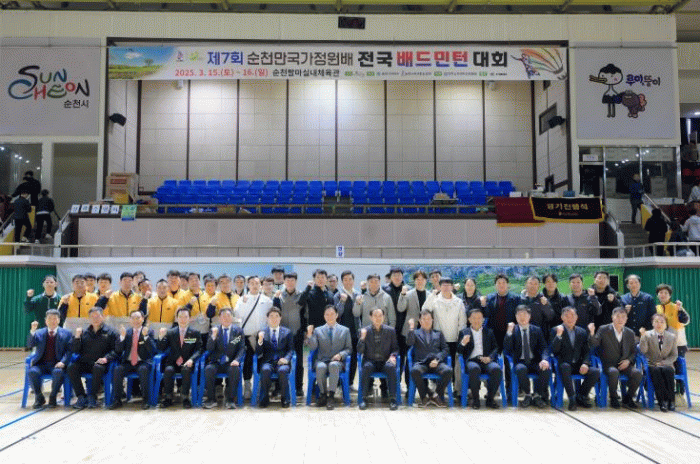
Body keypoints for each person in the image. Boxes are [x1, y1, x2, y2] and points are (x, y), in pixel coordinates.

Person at [589, 306, 642, 409]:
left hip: (625, 364)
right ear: (612, 317)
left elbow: (634, 352)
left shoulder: (630, 332)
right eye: (617, 316)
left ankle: (628, 398)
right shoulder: (604, 329)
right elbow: (594, 344)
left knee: (637, 373)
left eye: (623, 317)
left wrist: (628, 361)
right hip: (608, 364)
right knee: (614, 372)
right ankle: (613, 397)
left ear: (626, 319)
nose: (620, 319)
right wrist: (592, 333)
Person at [549, 307, 600, 411]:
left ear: (577, 317)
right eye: (567, 316)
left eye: (572, 316)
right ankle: (572, 399)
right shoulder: (556, 330)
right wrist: (558, 336)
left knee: (595, 371)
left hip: (578, 364)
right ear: (562, 317)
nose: (570, 318)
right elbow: (554, 350)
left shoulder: (582, 331)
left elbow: (586, 351)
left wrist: (585, 363)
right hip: (563, 364)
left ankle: (581, 395)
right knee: (565, 367)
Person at [67, 307, 118, 409]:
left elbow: (116, 350)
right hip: (86, 362)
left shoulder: (111, 332)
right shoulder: (84, 332)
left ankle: (92, 396)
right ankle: (81, 396)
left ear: (103, 317)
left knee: (98, 367)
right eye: (92, 317)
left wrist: (106, 358)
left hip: (101, 364)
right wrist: (77, 337)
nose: (95, 319)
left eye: (97, 316)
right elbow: (75, 350)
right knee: (71, 367)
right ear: (89, 319)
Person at [423, 277, 466, 394]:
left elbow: (462, 322)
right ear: (440, 287)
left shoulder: (458, 302)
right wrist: (432, 295)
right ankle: (439, 389)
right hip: (438, 340)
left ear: (452, 287)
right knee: (438, 363)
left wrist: (460, 338)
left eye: (448, 285)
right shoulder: (435, 300)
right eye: (443, 285)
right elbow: (425, 309)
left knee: (454, 364)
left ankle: (456, 389)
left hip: (454, 338)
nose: (446, 287)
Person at [305, 305, 352, 410]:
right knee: (320, 367)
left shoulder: (345, 330)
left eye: (332, 314)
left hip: (337, 362)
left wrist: (341, 355)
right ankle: (323, 394)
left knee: (333, 365)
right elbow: (313, 347)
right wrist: (309, 335)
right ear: (324, 316)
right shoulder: (318, 330)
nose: (330, 316)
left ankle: (331, 396)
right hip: (322, 360)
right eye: (327, 314)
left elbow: (349, 349)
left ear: (337, 315)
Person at [233, 275, 272, 400]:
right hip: (247, 336)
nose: (254, 286)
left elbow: (270, 319)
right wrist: (244, 303)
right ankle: (247, 386)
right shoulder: (242, 299)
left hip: (262, 337)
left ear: (260, 285)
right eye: (252, 283)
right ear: (248, 285)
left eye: (257, 283)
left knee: (262, 360)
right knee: (248, 361)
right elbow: (237, 315)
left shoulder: (267, 300)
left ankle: (260, 385)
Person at [504, 305, 551, 408]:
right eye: (519, 315)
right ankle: (528, 394)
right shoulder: (513, 330)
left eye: (525, 314)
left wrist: (544, 359)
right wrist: (509, 333)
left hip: (535, 361)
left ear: (529, 316)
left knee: (546, 369)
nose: (522, 317)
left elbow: (544, 347)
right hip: (520, 361)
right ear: (516, 317)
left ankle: (537, 394)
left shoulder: (536, 330)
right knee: (521, 369)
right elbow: (507, 349)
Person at [110, 310, 156, 410]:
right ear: (130, 320)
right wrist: (122, 337)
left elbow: (153, 350)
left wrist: (146, 336)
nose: (136, 320)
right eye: (133, 318)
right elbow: (118, 350)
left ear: (143, 319)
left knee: (143, 370)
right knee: (117, 369)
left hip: (143, 362)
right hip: (128, 362)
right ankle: (117, 400)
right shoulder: (127, 332)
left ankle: (146, 400)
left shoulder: (149, 331)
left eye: (138, 318)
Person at [456, 308, 501, 409]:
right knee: (474, 369)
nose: (477, 320)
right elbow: (459, 351)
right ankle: (476, 400)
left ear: (483, 319)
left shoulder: (489, 332)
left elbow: (495, 348)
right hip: (472, 361)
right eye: (474, 318)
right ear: (469, 319)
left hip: (486, 360)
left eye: (479, 318)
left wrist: (490, 358)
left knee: (496, 369)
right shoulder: (464, 332)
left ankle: (490, 399)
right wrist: (463, 343)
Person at [157, 307, 202, 409]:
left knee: (186, 370)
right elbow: (161, 348)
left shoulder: (195, 333)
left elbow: (199, 349)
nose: (183, 319)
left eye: (185, 317)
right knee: (168, 370)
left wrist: (191, 359)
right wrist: (160, 337)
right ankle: (168, 397)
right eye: (180, 317)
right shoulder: (170, 332)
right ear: (176, 318)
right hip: (173, 362)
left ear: (189, 318)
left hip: (187, 362)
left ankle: (185, 397)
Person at [26, 310, 71, 408]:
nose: (52, 321)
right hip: (41, 364)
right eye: (49, 318)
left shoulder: (66, 333)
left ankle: (53, 397)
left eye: (55, 318)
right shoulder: (39, 332)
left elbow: (69, 351)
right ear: (45, 320)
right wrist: (32, 332)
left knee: (58, 372)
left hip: (57, 364)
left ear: (59, 320)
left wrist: (63, 362)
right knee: (32, 372)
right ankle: (39, 397)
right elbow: (30, 345)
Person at [406, 310, 452, 408]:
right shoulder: (415, 333)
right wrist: (411, 328)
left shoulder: (438, 333)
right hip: (421, 363)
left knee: (448, 371)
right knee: (415, 371)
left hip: (436, 362)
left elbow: (445, 349)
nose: (427, 321)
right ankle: (426, 396)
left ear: (432, 320)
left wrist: (437, 360)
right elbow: (409, 342)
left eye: (429, 319)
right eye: (424, 319)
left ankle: (436, 395)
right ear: (420, 321)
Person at [357, 308, 399, 411]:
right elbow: (359, 350)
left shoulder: (390, 331)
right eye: (375, 316)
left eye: (380, 315)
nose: (378, 318)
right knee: (366, 367)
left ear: (384, 317)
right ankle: (364, 399)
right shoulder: (364, 331)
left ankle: (393, 399)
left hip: (385, 361)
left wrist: (393, 356)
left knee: (391, 368)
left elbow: (395, 349)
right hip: (370, 361)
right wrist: (362, 338)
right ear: (370, 317)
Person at [202, 308, 245, 409]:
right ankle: (211, 399)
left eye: (228, 316)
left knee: (235, 370)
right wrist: (213, 336)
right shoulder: (214, 330)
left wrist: (237, 360)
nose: (226, 318)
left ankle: (230, 400)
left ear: (232, 317)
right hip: (216, 362)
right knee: (208, 369)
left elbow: (241, 348)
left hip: (231, 362)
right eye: (223, 316)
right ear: (219, 318)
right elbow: (209, 348)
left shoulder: (238, 331)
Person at [255, 307, 294, 408]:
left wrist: (286, 359)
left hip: (282, 361)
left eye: (276, 316)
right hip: (268, 362)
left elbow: (291, 350)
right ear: (267, 318)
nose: (274, 319)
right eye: (271, 316)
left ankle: (285, 398)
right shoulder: (262, 332)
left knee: (283, 371)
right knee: (265, 370)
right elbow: (258, 352)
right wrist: (260, 341)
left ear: (280, 318)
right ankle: (264, 398)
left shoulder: (287, 332)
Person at [655, 284, 690, 396]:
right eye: (660, 293)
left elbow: (685, 320)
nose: (663, 295)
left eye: (666, 293)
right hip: (663, 345)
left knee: (678, 369)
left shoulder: (676, 307)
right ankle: (666, 391)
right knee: (665, 368)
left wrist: (680, 310)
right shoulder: (657, 308)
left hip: (678, 344)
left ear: (670, 295)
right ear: (657, 295)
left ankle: (680, 393)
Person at [639, 314, 678, 412]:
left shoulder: (672, 337)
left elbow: (674, 355)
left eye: (662, 322)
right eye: (656, 321)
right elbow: (643, 351)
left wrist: (664, 362)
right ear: (652, 323)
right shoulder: (647, 335)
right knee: (656, 371)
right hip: (652, 364)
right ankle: (662, 402)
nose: (659, 324)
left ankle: (671, 401)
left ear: (666, 324)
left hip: (666, 364)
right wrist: (642, 337)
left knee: (668, 371)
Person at [274, 272, 305, 397]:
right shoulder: (279, 295)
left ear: (296, 282)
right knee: (280, 360)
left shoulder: (301, 295)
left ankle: (298, 387)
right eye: (287, 281)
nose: (290, 283)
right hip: (282, 335)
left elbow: (305, 314)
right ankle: (279, 387)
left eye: (292, 280)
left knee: (298, 362)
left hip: (297, 333)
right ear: (284, 282)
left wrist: (304, 331)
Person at [382, 267, 410, 391]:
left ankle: (397, 384)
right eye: (394, 275)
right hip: (388, 328)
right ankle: (384, 386)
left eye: (399, 275)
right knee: (385, 356)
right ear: (391, 277)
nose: (397, 277)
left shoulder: (408, 290)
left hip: (403, 329)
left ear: (402, 277)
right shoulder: (384, 290)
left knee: (402, 357)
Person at [334, 270, 361, 392]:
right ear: (342, 282)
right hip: (341, 333)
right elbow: (337, 314)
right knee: (341, 358)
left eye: (350, 279)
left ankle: (349, 383)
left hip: (355, 332)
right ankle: (339, 384)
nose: (348, 282)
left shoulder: (358, 295)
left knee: (354, 358)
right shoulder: (338, 295)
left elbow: (360, 314)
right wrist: (342, 301)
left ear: (353, 281)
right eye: (345, 280)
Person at [484, 274, 522, 351]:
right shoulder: (489, 298)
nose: (501, 285)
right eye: (499, 283)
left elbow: (519, 315)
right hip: (494, 333)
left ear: (508, 284)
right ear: (495, 285)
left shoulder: (516, 298)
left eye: (504, 282)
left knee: (509, 354)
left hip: (510, 332)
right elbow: (486, 314)